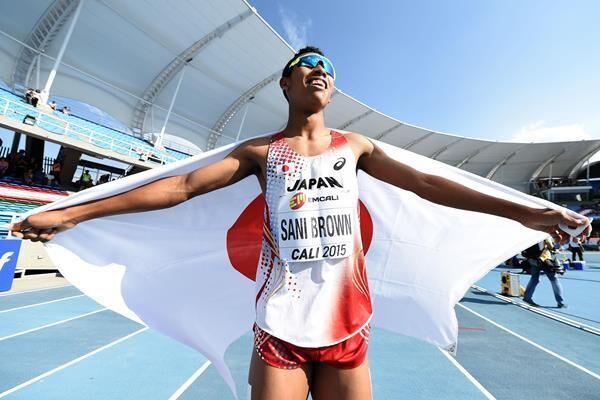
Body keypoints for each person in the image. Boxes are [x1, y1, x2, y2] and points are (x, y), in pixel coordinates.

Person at [8, 47, 588, 400]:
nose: (318, 71)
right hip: (279, 326)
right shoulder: (261, 153)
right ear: (285, 85)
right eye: (306, 65)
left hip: (348, 326)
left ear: (331, 91)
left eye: (327, 69)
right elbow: (181, 188)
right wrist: (72, 211)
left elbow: (428, 184)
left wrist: (531, 211)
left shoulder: (355, 147)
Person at [522, 239, 567, 308]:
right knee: (554, 279)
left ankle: (527, 298)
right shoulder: (544, 235)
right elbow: (550, 245)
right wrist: (554, 248)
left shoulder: (529, 236)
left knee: (534, 279)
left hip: (532, 259)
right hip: (544, 259)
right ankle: (560, 302)